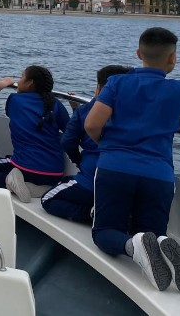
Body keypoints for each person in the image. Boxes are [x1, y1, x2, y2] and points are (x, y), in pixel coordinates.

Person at [85, 28, 180, 294]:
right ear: (172, 58)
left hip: (115, 167)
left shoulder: (117, 83)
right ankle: (157, 245)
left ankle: (132, 246)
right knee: (153, 232)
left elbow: (91, 124)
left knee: (104, 232)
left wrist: (107, 146)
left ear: (138, 54)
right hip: (159, 174)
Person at [40, 65, 132, 224]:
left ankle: (90, 214)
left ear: (99, 88)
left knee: (47, 198)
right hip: (127, 187)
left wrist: (79, 162)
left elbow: (67, 142)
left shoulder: (85, 111)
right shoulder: (136, 114)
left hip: (91, 183)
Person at [0, 65, 69, 203]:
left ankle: (9, 181)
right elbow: (70, 130)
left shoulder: (14, 100)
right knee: (9, 161)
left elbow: (11, 113)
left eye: (21, 77)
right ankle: (33, 188)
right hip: (54, 173)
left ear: (30, 83)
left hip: (25, 169)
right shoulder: (56, 104)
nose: (18, 81)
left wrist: (11, 86)